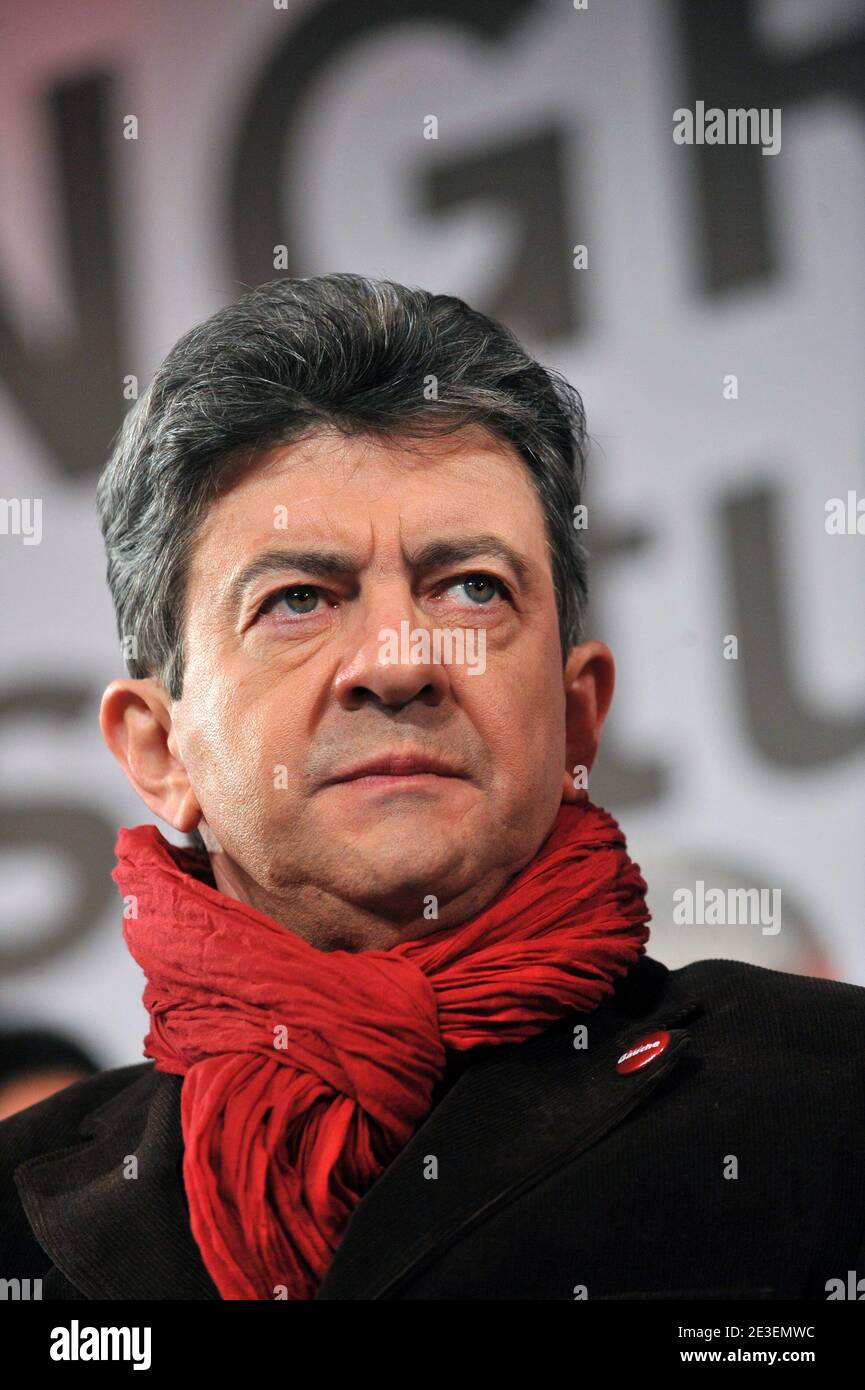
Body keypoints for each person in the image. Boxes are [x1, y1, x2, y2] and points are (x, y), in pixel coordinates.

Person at [1, 273, 863, 1301]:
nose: (398, 660)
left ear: (578, 710)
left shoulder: (830, 1100)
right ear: (159, 751)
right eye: (298, 599)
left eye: (470, 588)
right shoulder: (18, 1212)